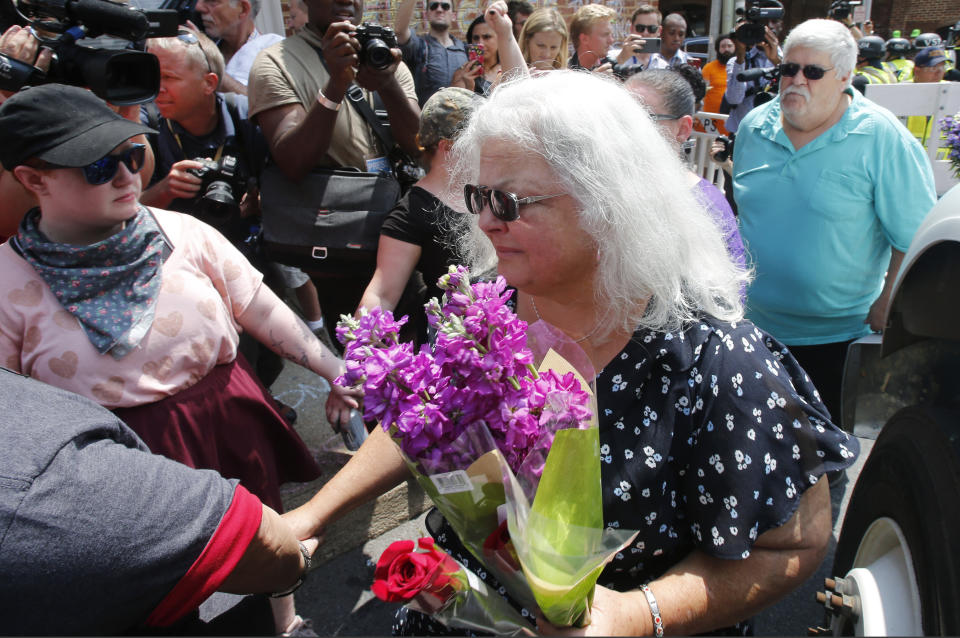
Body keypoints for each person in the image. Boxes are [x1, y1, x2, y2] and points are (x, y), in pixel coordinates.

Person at [283, 70, 859, 635]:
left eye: (507, 201)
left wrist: (640, 614)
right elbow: (425, 416)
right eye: (478, 196)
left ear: (608, 202)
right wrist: (312, 514)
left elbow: (794, 542)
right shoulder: (494, 310)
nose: (483, 221)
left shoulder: (716, 359)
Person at [0, 84, 357, 636]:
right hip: (124, 468)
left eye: (131, 155)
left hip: (229, 425)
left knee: (267, 539)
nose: (125, 176)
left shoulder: (184, 231)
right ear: (33, 179)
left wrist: (337, 371)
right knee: (166, 592)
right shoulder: (7, 283)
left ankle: (284, 622)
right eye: (98, 166)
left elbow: (260, 308)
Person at [731, 18, 936, 424]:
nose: (796, 80)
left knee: (823, 466)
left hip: (836, 340)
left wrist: (887, 305)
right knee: (755, 455)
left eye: (813, 72)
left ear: (844, 77)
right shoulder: (754, 127)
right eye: (789, 68)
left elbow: (914, 236)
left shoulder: (881, 137)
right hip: (754, 328)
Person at [0, 367, 311, 634]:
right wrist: (294, 555)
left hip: (218, 419)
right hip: (143, 461)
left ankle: (286, 622)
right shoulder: (47, 480)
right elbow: (266, 547)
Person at [248, 0, 421, 323]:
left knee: (419, 349)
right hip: (337, 249)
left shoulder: (383, 54)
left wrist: (387, 84)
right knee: (364, 356)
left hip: (397, 241)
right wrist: (336, 86)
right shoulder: (275, 62)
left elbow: (418, 146)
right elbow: (293, 161)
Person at [357, 86, 479, 344]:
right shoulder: (412, 212)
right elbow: (383, 293)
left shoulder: (490, 188)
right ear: (448, 147)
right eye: (477, 139)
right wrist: (360, 350)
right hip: (457, 347)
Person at [626, 69, 746, 275]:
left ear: (682, 129)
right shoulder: (600, 191)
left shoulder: (707, 207)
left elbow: (725, 296)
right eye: (619, 116)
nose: (625, 128)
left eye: (644, 118)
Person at [194, 0, 283, 94]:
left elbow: (265, 103)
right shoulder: (204, 49)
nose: (198, 7)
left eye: (212, 2)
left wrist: (211, 64)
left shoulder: (274, 51)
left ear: (243, 9)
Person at [395, 0, 469, 105]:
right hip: (424, 119)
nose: (439, 9)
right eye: (434, 6)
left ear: (454, 15)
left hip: (460, 119)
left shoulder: (465, 50)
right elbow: (400, 31)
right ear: (426, 14)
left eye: (445, 6)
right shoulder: (419, 45)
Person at [724, 13, 781, 133]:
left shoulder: (785, 59)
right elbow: (734, 99)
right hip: (741, 131)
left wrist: (776, 60)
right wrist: (740, 57)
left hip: (770, 132)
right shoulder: (736, 62)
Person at [698, 32, 735, 134]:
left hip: (731, 123)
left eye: (729, 46)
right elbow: (701, 93)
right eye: (723, 46)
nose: (726, 49)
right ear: (717, 49)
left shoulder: (740, 68)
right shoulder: (709, 68)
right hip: (710, 124)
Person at [567, 3, 617, 72]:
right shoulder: (564, 73)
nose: (611, 40)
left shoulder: (613, 67)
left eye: (611, 35)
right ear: (584, 39)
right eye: (605, 35)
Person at [517, 7, 569, 71]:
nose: (547, 54)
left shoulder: (569, 78)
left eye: (553, 47)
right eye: (541, 46)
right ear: (527, 41)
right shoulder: (508, 77)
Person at [613, 4, 661, 70]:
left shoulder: (663, 66)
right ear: (631, 28)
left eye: (651, 28)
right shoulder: (613, 57)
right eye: (640, 28)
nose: (645, 33)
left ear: (659, 31)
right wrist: (621, 58)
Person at [465, 14, 502, 94]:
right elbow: (457, 105)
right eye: (476, 38)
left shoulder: (508, 70)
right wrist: (469, 88)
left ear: (499, 39)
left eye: (487, 37)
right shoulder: (463, 74)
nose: (480, 43)